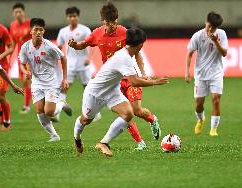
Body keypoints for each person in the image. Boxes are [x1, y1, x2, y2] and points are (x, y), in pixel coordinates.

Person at [68, 2, 160, 150]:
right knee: (86, 120)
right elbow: (83, 45)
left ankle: (147, 125)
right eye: (109, 23)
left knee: (133, 111)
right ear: (102, 21)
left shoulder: (124, 32)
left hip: (128, 78)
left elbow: (137, 53)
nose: (112, 26)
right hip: (107, 82)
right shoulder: (97, 34)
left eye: (115, 22)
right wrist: (75, 45)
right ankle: (77, 138)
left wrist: (143, 73)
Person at [73, 28, 168, 157]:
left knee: (128, 114)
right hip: (95, 92)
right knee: (85, 121)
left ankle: (103, 143)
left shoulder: (126, 54)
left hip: (112, 90)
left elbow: (133, 81)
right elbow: (134, 81)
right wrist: (155, 82)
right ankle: (77, 138)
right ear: (141, 45)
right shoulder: (124, 58)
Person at [19, 18, 72, 142]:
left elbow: (63, 58)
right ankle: (54, 135)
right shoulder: (25, 47)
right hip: (36, 83)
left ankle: (61, 104)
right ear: (30, 31)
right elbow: (22, 62)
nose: (38, 32)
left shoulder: (49, 46)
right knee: (40, 111)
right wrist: (25, 71)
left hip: (51, 83)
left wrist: (64, 79)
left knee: (49, 112)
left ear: (44, 31)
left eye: (41, 30)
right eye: (36, 29)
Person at [185, 11, 228, 136]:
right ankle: (201, 119)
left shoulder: (221, 35)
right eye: (209, 26)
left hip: (216, 73)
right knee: (199, 104)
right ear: (206, 22)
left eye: (214, 27)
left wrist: (216, 41)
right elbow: (189, 53)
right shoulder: (197, 36)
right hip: (200, 75)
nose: (211, 29)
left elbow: (224, 53)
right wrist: (187, 72)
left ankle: (213, 129)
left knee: (216, 100)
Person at [55, 6, 94, 122]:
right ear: (67, 18)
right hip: (70, 63)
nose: (73, 18)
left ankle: (93, 111)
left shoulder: (85, 30)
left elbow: (92, 44)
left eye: (75, 16)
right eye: (70, 16)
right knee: (64, 87)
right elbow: (58, 46)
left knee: (88, 88)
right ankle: (58, 111)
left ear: (78, 17)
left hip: (83, 63)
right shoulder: (63, 31)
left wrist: (89, 58)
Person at [9, 2, 32, 114]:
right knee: (23, 80)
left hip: (31, 56)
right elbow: (13, 43)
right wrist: (9, 58)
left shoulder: (30, 24)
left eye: (20, 11)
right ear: (13, 13)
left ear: (23, 12)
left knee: (27, 80)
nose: (18, 14)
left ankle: (26, 106)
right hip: (20, 56)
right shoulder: (12, 26)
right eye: (16, 12)